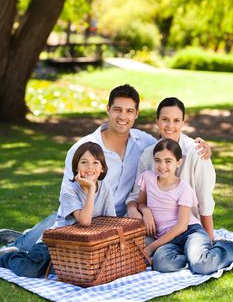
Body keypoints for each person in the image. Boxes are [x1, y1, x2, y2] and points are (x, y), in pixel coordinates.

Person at [0, 87, 210, 252]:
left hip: (122, 222)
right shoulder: (84, 149)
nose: (122, 116)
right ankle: (18, 243)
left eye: (129, 111)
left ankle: (19, 236)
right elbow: (69, 195)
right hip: (85, 219)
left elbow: (169, 145)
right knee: (42, 253)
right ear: (108, 109)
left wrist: (202, 146)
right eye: (117, 109)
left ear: (136, 114)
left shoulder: (144, 143)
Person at [0, 142, 116, 277]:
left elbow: (111, 221)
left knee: (72, 272)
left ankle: (29, 249)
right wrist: (91, 188)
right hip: (53, 243)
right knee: (29, 270)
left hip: (80, 246)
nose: (90, 167)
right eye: (84, 162)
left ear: (102, 168)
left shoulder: (105, 187)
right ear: (76, 167)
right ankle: (9, 255)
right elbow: (85, 221)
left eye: (96, 162)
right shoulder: (69, 190)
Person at [137, 139, 233, 274]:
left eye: (168, 161)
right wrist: (145, 210)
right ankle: (191, 254)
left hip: (190, 232)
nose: (162, 165)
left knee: (202, 265)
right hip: (167, 239)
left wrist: (152, 247)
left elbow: (182, 226)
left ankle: (226, 247)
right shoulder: (147, 178)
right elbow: (140, 202)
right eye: (157, 160)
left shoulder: (183, 189)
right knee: (162, 264)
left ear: (178, 162)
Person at [126, 97, 215, 240]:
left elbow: (205, 201)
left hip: (187, 227)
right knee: (134, 252)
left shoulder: (197, 152)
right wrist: (136, 209)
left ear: (183, 122)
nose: (170, 125)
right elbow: (136, 197)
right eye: (165, 119)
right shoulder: (148, 154)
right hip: (156, 229)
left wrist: (210, 239)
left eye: (176, 120)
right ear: (157, 121)